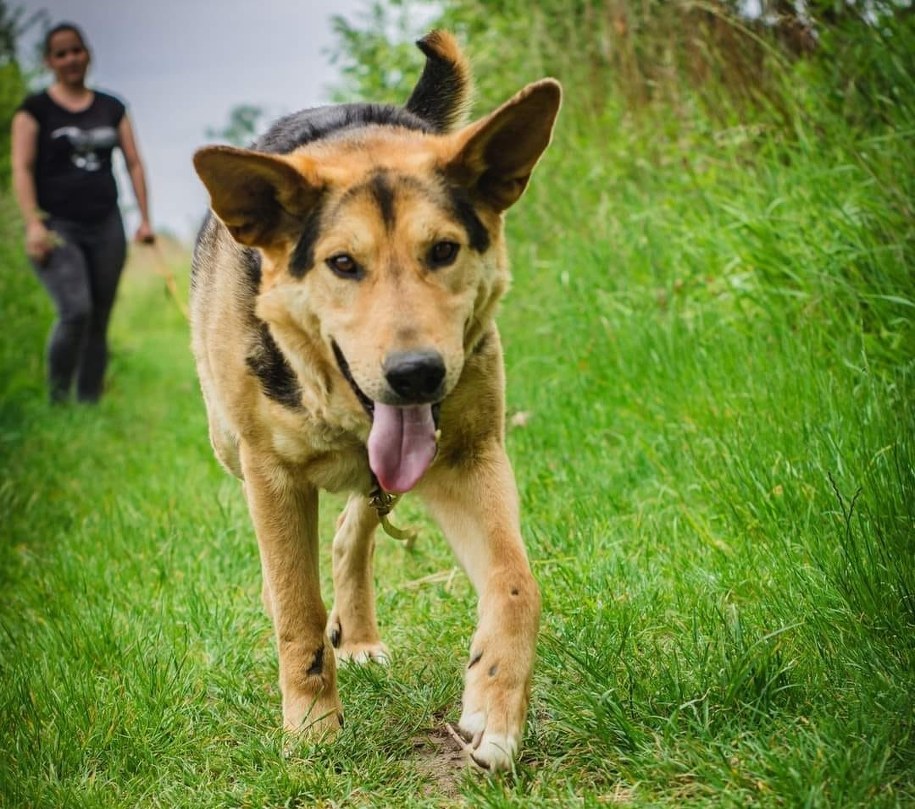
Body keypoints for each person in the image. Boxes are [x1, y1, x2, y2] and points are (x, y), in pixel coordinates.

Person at [10, 22, 154, 403]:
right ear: (49, 61)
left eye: (76, 50)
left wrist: (144, 220)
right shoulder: (34, 110)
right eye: (61, 53)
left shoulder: (112, 107)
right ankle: (58, 400)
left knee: (99, 318)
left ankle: (88, 403)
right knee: (75, 311)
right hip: (58, 226)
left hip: (107, 224)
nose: (70, 59)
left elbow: (134, 163)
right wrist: (33, 225)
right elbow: (21, 168)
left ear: (87, 53)